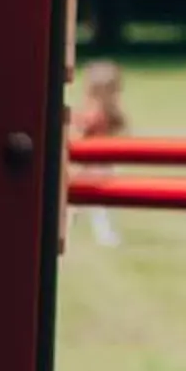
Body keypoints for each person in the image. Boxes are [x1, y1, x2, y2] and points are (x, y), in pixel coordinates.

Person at [71, 59, 127, 247]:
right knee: (95, 204)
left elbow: (80, 133)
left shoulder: (99, 113)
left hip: (97, 165)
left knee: (84, 203)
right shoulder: (102, 114)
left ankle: (96, 233)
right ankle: (104, 235)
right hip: (98, 165)